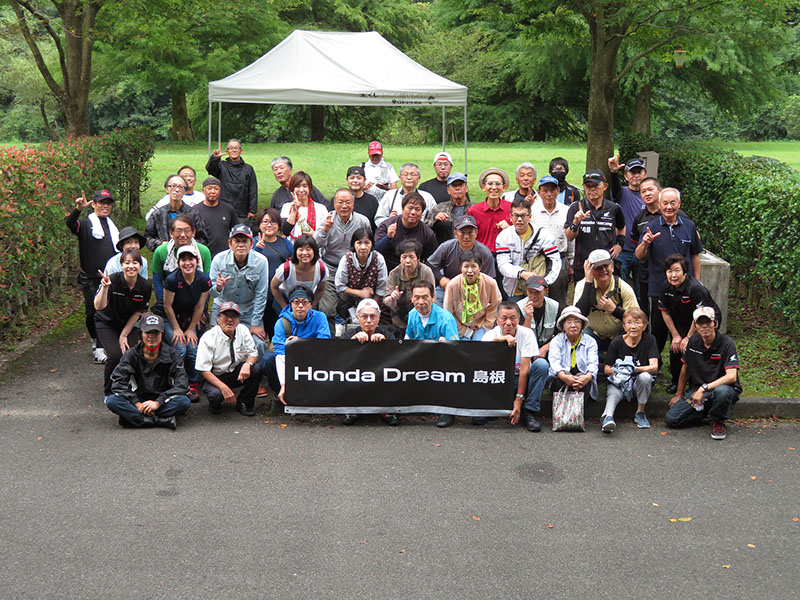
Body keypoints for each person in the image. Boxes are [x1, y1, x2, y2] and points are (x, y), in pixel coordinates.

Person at [635, 187, 703, 362]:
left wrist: (696, 280)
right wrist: (645, 243)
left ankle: (679, 367)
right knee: (657, 330)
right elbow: (639, 255)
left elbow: (695, 254)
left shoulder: (689, 226)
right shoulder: (651, 227)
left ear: (679, 204)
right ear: (659, 204)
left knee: (682, 328)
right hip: (658, 287)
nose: (669, 207)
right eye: (665, 203)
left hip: (685, 289)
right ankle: (653, 365)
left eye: (673, 203)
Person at [665, 307, 742, 440]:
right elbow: (686, 368)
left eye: (708, 322)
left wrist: (704, 388)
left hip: (723, 389)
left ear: (715, 324)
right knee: (672, 419)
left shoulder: (727, 343)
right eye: (700, 323)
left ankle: (718, 421)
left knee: (722, 392)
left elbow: (731, 376)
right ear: (695, 326)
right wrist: (678, 394)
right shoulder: (694, 341)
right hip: (699, 391)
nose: (704, 326)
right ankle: (708, 412)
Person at [105, 313, 191, 430]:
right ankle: (161, 421)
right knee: (112, 401)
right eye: (147, 332)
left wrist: (158, 403)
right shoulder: (131, 354)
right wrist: (136, 403)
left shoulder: (173, 354)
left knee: (184, 402)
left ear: (162, 334)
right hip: (138, 400)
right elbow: (118, 382)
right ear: (141, 334)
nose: (151, 336)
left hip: (163, 400)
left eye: (156, 332)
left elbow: (182, 384)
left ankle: (135, 419)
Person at [65, 189, 119, 364]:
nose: (105, 206)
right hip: (90, 278)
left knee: (107, 312)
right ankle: (95, 342)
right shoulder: (86, 225)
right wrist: (78, 209)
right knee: (92, 313)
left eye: (108, 203)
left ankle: (102, 348)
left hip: (110, 278)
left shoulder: (112, 227)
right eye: (102, 203)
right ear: (93, 204)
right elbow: (70, 224)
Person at [481, 301, 549, 432]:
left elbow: (524, 370)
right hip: (500, 380)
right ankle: (492, 409)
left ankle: (529, 411)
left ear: (518, 319)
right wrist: (499, 340)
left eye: (512, 318)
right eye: (504, 318)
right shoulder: (490, 335)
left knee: (541, 365)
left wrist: (519, 399)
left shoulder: (527, 334)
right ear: (497, 320)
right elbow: (482, 359)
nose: (508, 323)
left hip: (521, 380)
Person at [658, 253, 721, 394]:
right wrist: (676, 335)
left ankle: (698, 382)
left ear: (685, 272)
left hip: (704, 319)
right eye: (669, 271)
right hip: (682, 319)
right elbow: (665, 312)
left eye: (677, 270)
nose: (673, 275)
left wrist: (688, 337)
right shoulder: (665, 287)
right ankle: (676, 381)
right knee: (676, 346)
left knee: (695, 346)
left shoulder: (695, 288)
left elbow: (698, 316)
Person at [94, 249, 152, 394]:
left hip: (128, 323)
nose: (131, 266)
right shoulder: (112, 280)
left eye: (135, 263)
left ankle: (130, 388)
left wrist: (123, 335)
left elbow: (138, 313)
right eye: (127, 263)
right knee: (114, 356)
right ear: (121, 265)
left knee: (131, 354)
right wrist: (105, 288)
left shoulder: (145, 286)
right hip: (106, 322)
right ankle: (109, 392)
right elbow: (98, 306)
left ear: (141, 266)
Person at [262, 286, 331, 405]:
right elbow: (280, 352)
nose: (300, 306)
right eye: (296, 302)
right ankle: (281, 391)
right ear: (291, 304)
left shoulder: (320, 317)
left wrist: (300, 344)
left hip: (312, 358)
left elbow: (323, 344)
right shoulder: (281, 322)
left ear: (310, 304)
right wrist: (283, 384)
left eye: (304, 302)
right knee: (268, 359)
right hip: (288, 359)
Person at [208, 224, 270, 354]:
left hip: (248, 311)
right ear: (230, 244)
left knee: (258, 344)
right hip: (222, 309)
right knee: (215, 344)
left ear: (251, 244)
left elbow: (261, 294)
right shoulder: (218, 260)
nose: (241, 245)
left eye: (244, 241)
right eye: (237, 241)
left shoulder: (261, 262)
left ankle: (252, 367)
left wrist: (256, 323)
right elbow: (212, 293)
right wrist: (218, 287)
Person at [195, 301, 263, 416]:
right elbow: (204, 370)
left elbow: (253, 354)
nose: (230, 320)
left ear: (239, 320)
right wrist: (223, 388)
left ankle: (244, 403)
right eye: (226, 315)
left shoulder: (243, 330)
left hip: (236, 373)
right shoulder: (208, 337)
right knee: (215, 396)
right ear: (218, 319)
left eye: (234, 316)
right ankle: (215, 404)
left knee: (256, 369)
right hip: (215, 376)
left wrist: (248, 364)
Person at [162, 245, 212, 402]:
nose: (187, 263)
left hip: (189, 317)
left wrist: (191, 329)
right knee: (180, 348)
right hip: (169, 317)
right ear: (178, 263)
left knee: (193, 349)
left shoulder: (204, 280)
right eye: (183, 260)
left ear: (197, 261)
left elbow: (200, 306)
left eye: (191, 259)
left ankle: (192, 383)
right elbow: (167, 306)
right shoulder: (172, 280)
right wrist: (176, 328)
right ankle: (176, 382)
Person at [314, 188, 372, 320]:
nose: (344, 206)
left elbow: (369, 245)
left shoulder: (362, 221)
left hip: (354, 268)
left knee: (354, 311)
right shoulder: (326, 219)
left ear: (353, 204)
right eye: (340, 202)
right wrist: (325, 229)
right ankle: (330, 332)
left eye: (348, 202)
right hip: (330, 268)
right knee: (327, 309)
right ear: (334, 204)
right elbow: (314, 245)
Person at [573, 249, 639, 362]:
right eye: (598, 267)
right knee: (577, 331)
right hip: (592, 334)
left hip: (618, 336)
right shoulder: (582, 285)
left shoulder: (624, 288)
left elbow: (636, 319)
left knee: (633, 333)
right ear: (590, 270)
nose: (603, 270)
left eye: (606, 266)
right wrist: (588, 282)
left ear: (612, 267)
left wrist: (614, 310)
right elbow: (579, 315)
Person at [600, 307, 659, 433]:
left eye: (637, 322)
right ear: (624, 326)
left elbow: (654, 367)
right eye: (629, 322)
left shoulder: (650, 340)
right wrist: (617, 371)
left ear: (644, 326)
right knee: (613, 391)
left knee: (645, 377)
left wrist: (634, 369)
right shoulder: (617, 341)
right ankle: (608, 417)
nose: (633, 326)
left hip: (638, 382)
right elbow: (606, 368)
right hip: (620, 382)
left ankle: (640, 413)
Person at [341, 298, 397, 426]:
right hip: (357, 375)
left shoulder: (388, 334)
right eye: (364, 316)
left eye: (373, 316)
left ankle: (388, 411)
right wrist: (352, 342)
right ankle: (352, 411)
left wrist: (385, 344)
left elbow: (397, 357)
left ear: (379, 318)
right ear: (357, 318)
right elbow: (339, 358)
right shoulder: (348, 334)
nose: (369, 320)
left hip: (380, 375)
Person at [564, 169, 626, 282]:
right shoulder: (576, 207)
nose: (592, 189)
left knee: (606, 294)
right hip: (583, 266)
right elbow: (569, 237)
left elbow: (621, 227)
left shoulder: (614, 208)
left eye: (596, 185)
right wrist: (575, 223)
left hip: (606, 266)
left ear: (605, 186)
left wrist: (619, 244)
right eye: (588, 186)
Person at [495, 198, 561, 301]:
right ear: (510, 217)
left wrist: (545, 282)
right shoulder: (504, 236)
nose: (519, 219)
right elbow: (503, 264)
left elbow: (555, 261)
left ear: (530, 217)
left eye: (523, 215)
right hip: (514, 290)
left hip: (538, 289)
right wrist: (522, 274)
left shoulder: (544, 235)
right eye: (516, 215)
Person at [427, 215, 495, 305]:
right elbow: (430, 264)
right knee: (434, 304)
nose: (466, 237)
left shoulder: (485, 253)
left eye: (470, 233)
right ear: (455, 234)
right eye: (462, 233)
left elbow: (490, 279)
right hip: (448, 286)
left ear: (476, 233)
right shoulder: (446, 247)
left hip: (475, 289)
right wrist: (441, 279)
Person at [151, 215, 212, 312]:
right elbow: (157, 282)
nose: (183, 235)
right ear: (171, 233)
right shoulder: (160, 252)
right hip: (169, 299)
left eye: (187, 231)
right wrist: (165, 307)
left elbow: (205, 283)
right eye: (178, 231)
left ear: (193, 233)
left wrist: (200, 310)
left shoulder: (203, 251)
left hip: (196, 301)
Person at [531, 175, 572, 306]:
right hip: (538, 259)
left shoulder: (566, 211)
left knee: (558, 299)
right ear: (539, 192)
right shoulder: (533, 211)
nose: (549, 194)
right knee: (536, 296)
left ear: (558, 191)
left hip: (560, 258)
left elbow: (571, 239)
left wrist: (570, 262)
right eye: (545, 190)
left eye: (552, 190)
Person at [334, 227, 388, 328]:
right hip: (349, 301)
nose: (363, 247)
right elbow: (340, 286)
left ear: (372, 244)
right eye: (359, 243)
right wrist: (360, 293)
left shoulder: (378, 259)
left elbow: (382, 287)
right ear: (353, 244)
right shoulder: (346, 260)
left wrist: (372, 306)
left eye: (367, 243)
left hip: (372, 299)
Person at [253, 208, 293, 339]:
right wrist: (256, 250)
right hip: (258, 295)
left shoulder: (285, 243)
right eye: (265, 222)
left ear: (279, 225)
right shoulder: (252, 243)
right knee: (260, 333)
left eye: (273, 222)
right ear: (259, 224)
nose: (269, 225)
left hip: (279, 296)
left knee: (278, 331)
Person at [443, 249, 501, 340]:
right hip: (460, 326)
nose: (470, 271)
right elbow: (448, 312)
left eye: (473, 266)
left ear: (480, 268)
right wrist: (464, 330)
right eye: (466, 266)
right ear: (461, 268)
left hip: (481, 325)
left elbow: (495, 305)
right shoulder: (452, 285)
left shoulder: (490, 283)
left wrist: (486, 325)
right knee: (463, 344)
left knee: (479, 342)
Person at [374, 192, 438, 272]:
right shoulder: (387, 225)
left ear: (422, 213)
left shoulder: (427, 233)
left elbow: (433, 261)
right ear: (402, 209)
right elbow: (375, 254)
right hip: (387, 272)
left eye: (417, 209)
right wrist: (388, 237)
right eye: (410, 208)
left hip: (415, 274)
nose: (413, 212)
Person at [608, 155, 646, 288]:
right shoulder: (622, 193)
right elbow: (615, 188)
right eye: (632, 172)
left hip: (643, 251)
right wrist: (614, 173)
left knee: (641, 290)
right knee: (620, 288)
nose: (636, 175)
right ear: (625, 176)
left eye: (639, 172)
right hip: (623, 250)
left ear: (645, 174)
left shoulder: (650, 196)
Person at [144, 174, 209, 251]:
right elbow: (147, 238)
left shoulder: (193, 213)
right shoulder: (158, 214)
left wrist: (187, 244)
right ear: (167, 189)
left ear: (185, 191)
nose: (177, 190)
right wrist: (162, 244)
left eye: (181, 187)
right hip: (165, 254)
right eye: (173, 186)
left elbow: (203, 239)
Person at [383, 240, 436, 333]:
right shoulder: (394, 273)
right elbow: (386, 300)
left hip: (421, 316)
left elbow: (432, 298)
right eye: (404, 257)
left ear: (418, 259)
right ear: (400, 259)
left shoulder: (426, 272)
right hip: (398, 319)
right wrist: (392, 298)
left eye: (411, 257)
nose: (407, 261)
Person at [548, 306, 599, 402]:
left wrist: (586, 377)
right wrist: (564, 377)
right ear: (563, 326)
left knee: (584, 386)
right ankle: (561, 411)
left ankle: (580, 411)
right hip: (562, 377)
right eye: (568, 322)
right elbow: (554, 363)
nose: (573, 325)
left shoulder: (590, 341)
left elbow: (593, 363)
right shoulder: (556, 341)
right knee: (559, 383)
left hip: (583, 377)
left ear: (582, 325)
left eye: (577, 321)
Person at [628, 176, 664, 308]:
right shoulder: (639, 218)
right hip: (645, 272)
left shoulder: (672, 214)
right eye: (643, 191)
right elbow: (636, 245)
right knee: (644, 307)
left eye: (650, 190)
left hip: (668, 272)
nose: (647, 194)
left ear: (660, 190)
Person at [206, 139, 258, 222]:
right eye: (231, 148)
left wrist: (252, 210)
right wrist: (215, 158)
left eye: (236, 148)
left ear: (241, 151)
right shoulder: (221, 166)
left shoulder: (248, 169)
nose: (234, 150)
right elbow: (210, 169)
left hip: (242, 210)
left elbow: (253, 190)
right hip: (223, 208)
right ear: (227, 151)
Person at [271, 234, 328, 309]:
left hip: (308, 301)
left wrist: (311, 306)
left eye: (308, 249)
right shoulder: (286, 268)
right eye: (301, 250)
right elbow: (274, 286)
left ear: (314, 251)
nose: (304, 253)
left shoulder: (322, 269)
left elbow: (320, 289)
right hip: (286, 300)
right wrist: (284, 306)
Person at [467, 167, 512, 255]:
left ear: (504, 187)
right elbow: (468, 235)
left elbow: (521, 233)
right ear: (483, 187)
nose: (494, 187)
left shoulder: (511, 208)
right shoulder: (474, 210)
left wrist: (509, 228)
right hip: (481, 255)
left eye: (498, 184)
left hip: (506, 254)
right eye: (490, 183)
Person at [192, 176, 239, 257]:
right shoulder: (195, 211)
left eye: (216, 188)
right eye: (209, 188)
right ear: (203, 191)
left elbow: (235, 230)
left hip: (224, 254)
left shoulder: (228, 209)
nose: (212, 191)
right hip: (203, 254)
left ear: (220, 191)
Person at [516, 276, 562, 357]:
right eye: (530, 292)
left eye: (537, 292)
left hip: (549, 349)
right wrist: (528, 317)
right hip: (525, 350)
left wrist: (545, 348)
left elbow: (561, 334)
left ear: (546, 291)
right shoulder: (519, 307)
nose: (533, 296)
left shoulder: (555, 306)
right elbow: (522, 337)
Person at [280, 171, 330, 240]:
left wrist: (314, 235)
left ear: (310, 188)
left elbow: (326, 234)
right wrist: (294, 211)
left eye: (304, 186)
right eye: (297, 186)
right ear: (292, 189)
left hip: (314, 245)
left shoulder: (321, 208)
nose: (301, 190)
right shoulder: (287, 207)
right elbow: (285, 231)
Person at [425, 171, 472, 244]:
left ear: (466, 188)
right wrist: (435, 219)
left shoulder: (475, 208)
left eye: (460, 185)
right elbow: (425, 229)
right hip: (445, 246)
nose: (457, 188)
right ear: (448, 190)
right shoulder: (439, 208)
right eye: (454, 186)